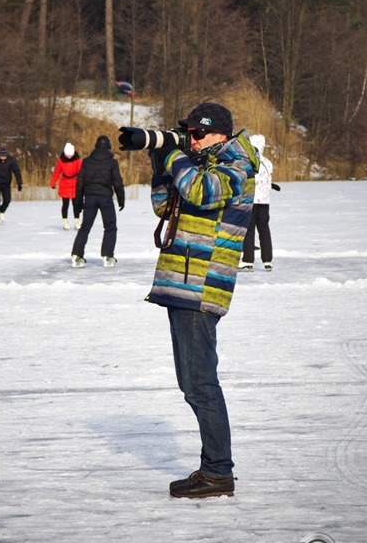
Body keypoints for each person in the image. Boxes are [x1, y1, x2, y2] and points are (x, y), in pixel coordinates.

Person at [145, 102, 258, 499]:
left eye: (197, 134)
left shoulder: (236, 166)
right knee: (192, 383)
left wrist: (175, 155)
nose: (190, 140)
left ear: (220, 135)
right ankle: (214, 468)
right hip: (182, 283)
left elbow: (199, 191)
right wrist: (161, 162)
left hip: (202, 286)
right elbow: (165, 204)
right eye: (186, 133)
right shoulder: (199, 164)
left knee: (201, 384)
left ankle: (217, 472)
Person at [71, 135, 125, 268]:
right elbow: (117, 182)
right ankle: (107, 256)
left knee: (85, 226)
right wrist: (121, 199)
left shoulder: (87, 162)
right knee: (110, 226)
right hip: (105, 199)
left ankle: (77, 255)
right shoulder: (112, 162)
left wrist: (77, 204)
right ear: (109, 147)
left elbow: (80, 183)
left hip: (90, 198)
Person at [239, 133, 275, 271]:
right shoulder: (268, 163)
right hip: (265, 202)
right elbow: (269, 182)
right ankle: (267, 260)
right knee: (264, 229)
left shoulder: (248, 161)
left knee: (249, 230)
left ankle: (248, 260)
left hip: (250, 200)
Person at [50, 142, 83, 230]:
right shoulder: (61, 161)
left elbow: (82, 172)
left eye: (70, 154)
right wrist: (53, 183)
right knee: (65, 204)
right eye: (67, 154)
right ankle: (65, 221)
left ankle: (77, 221)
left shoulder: (77, 160)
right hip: (64, 183)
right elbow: (57, 172)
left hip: (75, 183)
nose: (68, 156)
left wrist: (83, 182)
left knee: (76, 204)